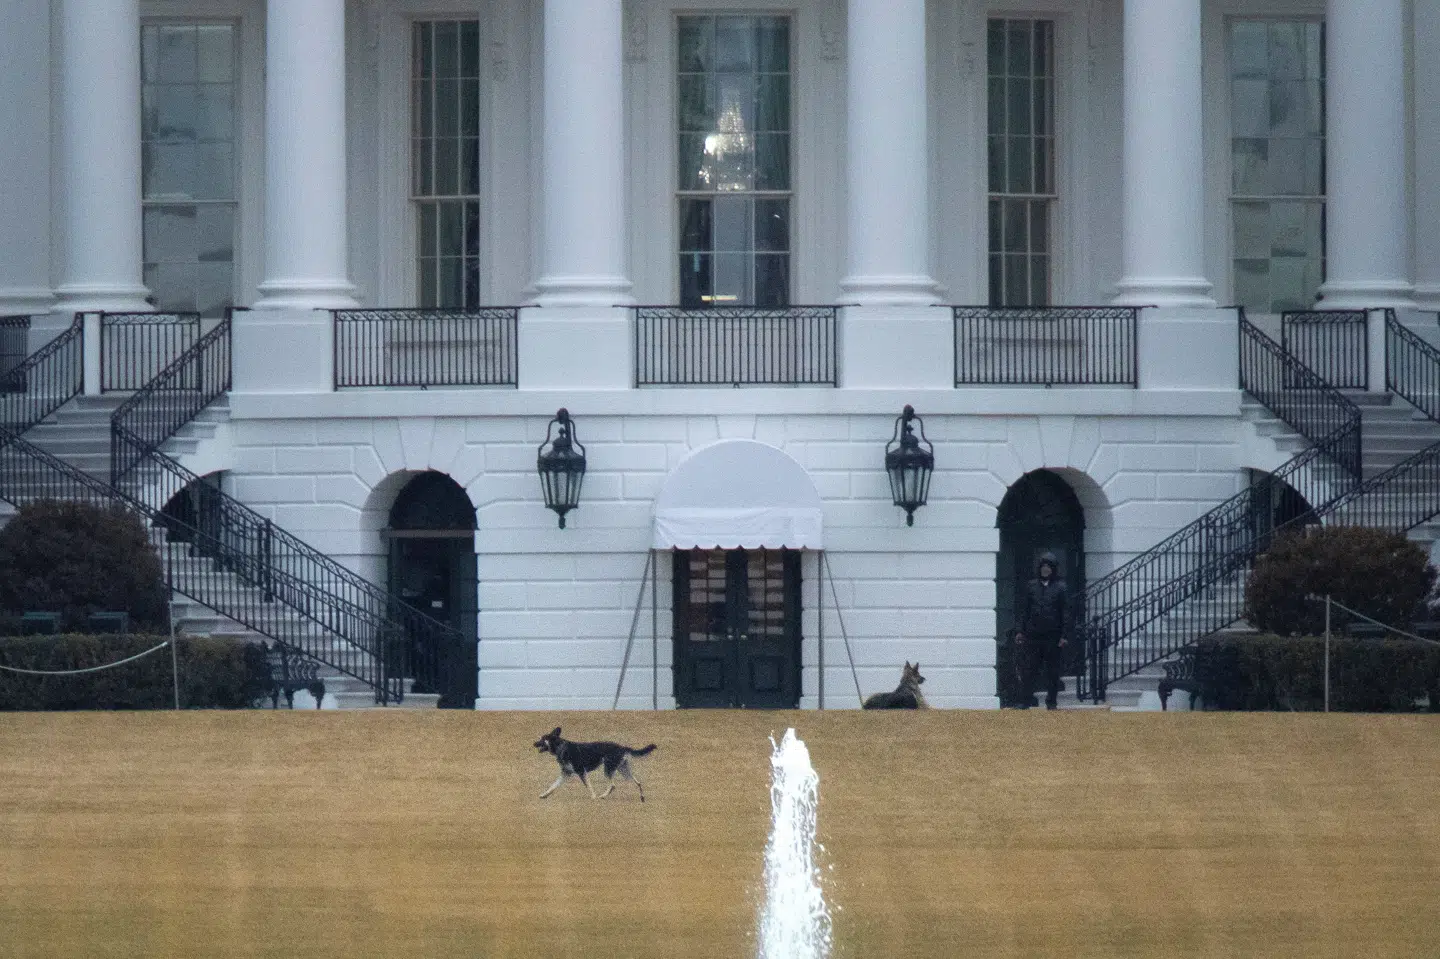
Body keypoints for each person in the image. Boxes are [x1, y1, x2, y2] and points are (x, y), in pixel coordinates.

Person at [1014, 551, 1070, 710]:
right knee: (1029, 670)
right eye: (1043, 567)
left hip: (1053, 636)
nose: (1045, 570)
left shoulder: (1061, 588)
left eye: (1048, 567)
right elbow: (1024, 610)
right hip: (1033, 635)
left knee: (1052, 672)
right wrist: (1020, 630)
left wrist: (1064, 635)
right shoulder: (1031, 586)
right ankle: (1025, 701)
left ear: (1053, 569)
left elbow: (1065, 613)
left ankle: (1051, 702)